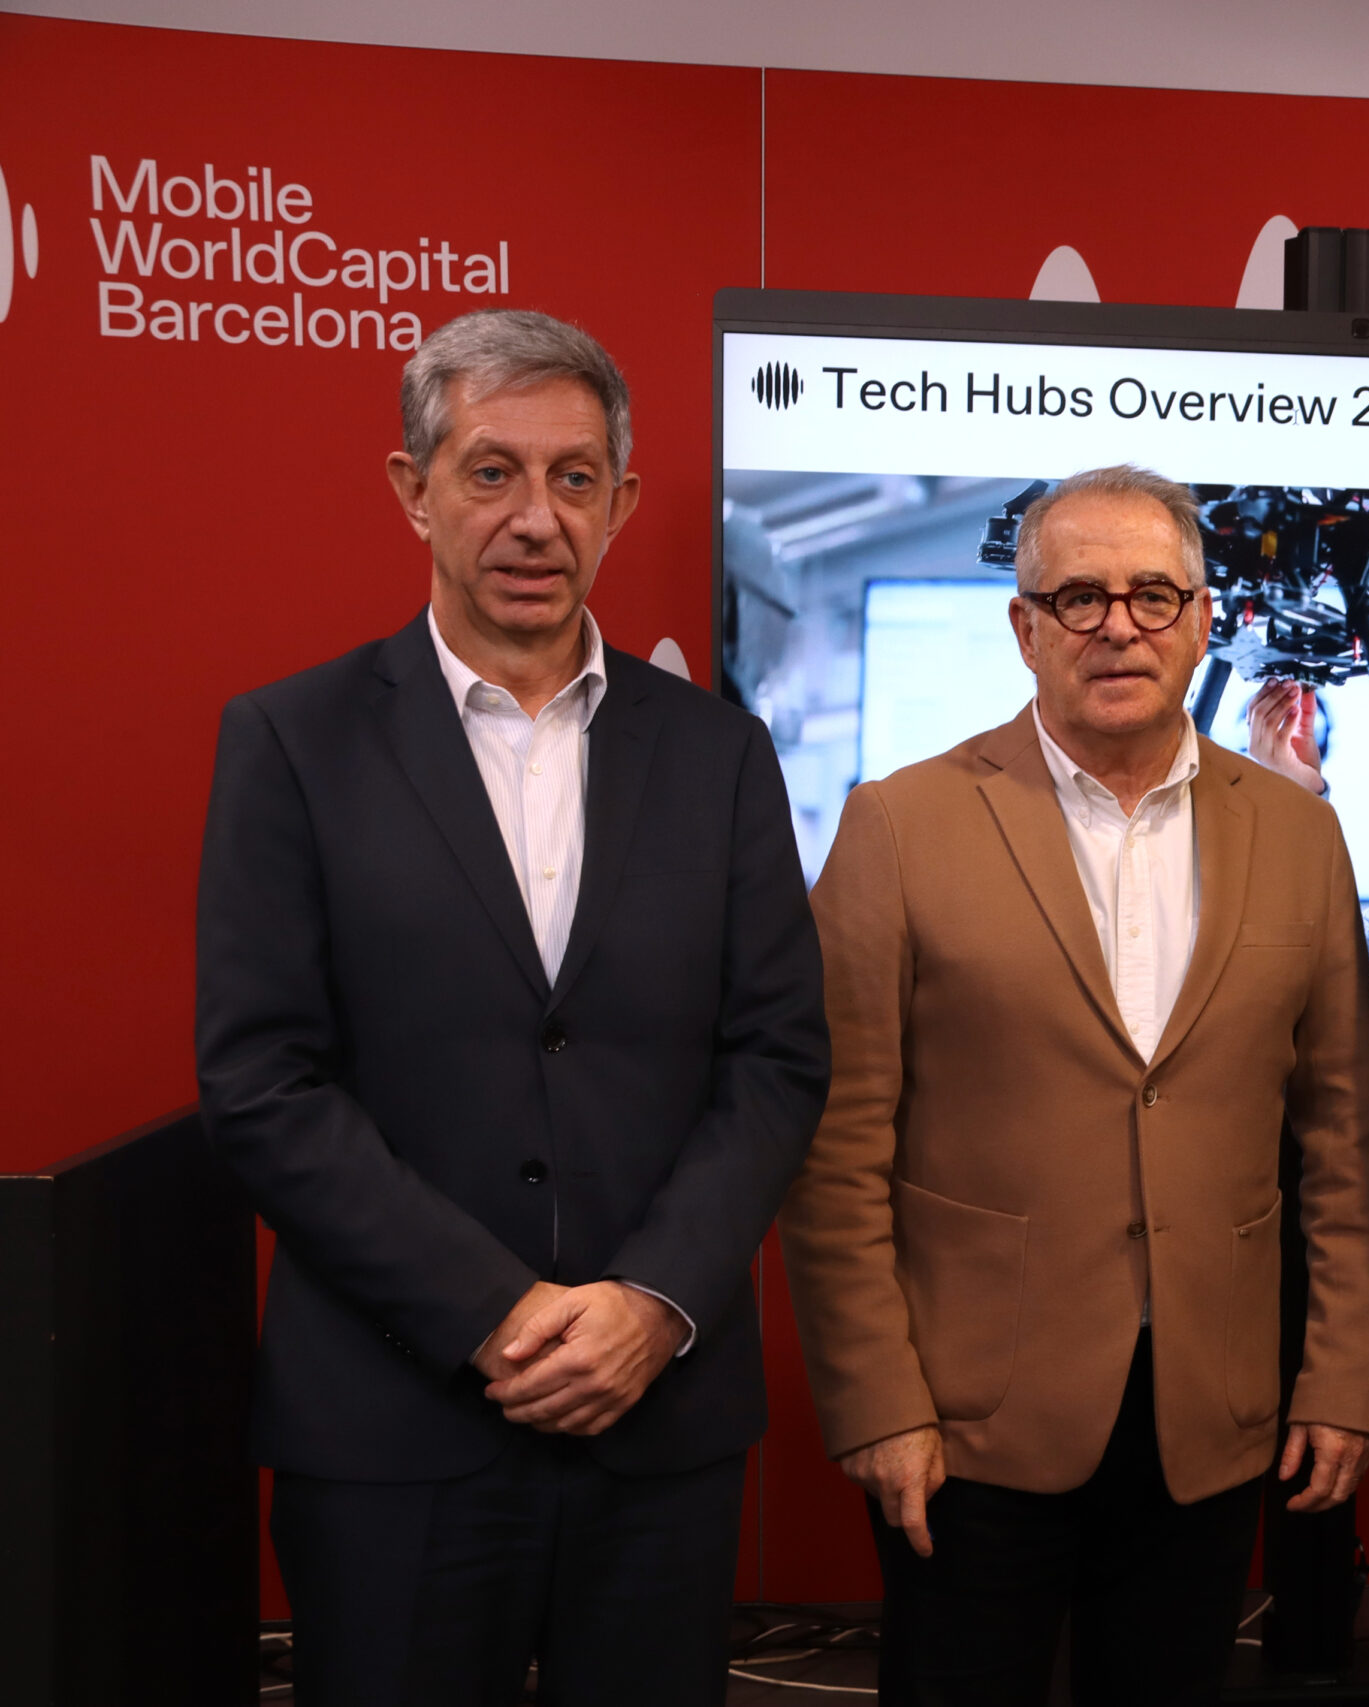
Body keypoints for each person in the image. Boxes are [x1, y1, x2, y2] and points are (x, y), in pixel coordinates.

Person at [194, 308, 830, 1705]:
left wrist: (653, 1303)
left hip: (656, 1422)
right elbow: (263, 1081)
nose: (536, 516)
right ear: (412, 489)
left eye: (574, 476)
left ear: (622, 501)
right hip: (394, 1422)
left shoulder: (720, 754)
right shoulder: (292, 741)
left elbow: (777, 1059)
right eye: (491, 471)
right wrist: (491, 1312)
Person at [779, 464, 1369, 1707]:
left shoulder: (1300, 836)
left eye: (1152, 594)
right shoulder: (899, 825)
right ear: (1025, 627)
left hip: (1211, 1418)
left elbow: (1343, 1140)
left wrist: (1345, 1377)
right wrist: (876, 1404)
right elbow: (836, 1152)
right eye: (1079, 598)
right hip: (968, 1427)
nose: (1119, 625)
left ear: (1203, 618)